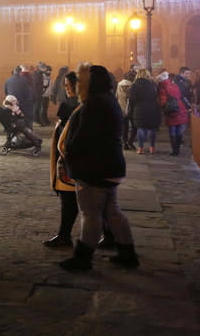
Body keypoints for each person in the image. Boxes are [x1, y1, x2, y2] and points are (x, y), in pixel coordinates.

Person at [58, 64, 139, 271]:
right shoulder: (107, 100)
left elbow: (84, 137)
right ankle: (127, 253)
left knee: (90, 213)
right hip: (109, 165)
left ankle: (83, 258)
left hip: (94, 167)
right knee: (112, 212)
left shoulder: (94, 104)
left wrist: (69, 154)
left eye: (82, 80)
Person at [44, 71, 79, 247]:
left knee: (70, 200)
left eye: (67, 86)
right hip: (69, 160)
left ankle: (65, 237)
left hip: (71, 162)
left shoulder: (76, 106)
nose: (66, 89)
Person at [128, 68, 161, 155]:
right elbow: (157, 95)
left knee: (141, 128)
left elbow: (131, 99)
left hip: (139, 109)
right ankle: (152, 148)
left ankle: (140, 148)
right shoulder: (153, 85)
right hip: (153, 108)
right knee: (152, 129)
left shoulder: (134, 85)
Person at [157, 71, 188, 156]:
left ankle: (175, 150)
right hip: (180, 108)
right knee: (179, 131)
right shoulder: (174, 85)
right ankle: (178, 148)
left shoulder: (162, 89)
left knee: (172, 131)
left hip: (171, 112)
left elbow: (163, 102)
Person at [116, 70, 137, 151]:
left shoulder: (119, 84)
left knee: (124, 127)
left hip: (121, 108)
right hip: (131, 109)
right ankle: (130, 142)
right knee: (135, 127)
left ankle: (124, 143)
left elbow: (116, 96)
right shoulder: (133, 85)